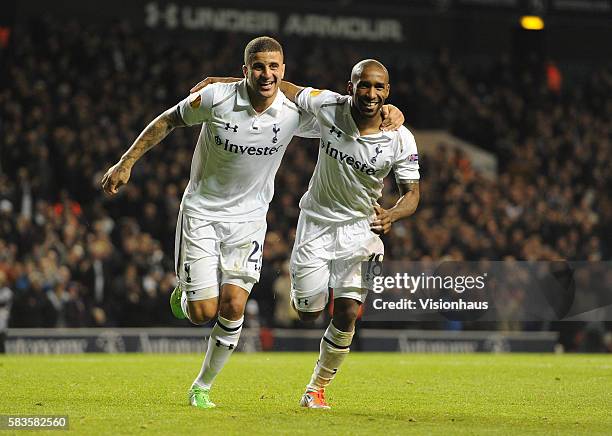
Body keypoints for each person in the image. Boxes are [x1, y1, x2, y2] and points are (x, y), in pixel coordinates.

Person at [101, 37, 404, 409]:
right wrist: (126, 162)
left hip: (250, 221)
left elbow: (348, 111)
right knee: (201, 313)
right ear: (245, 70)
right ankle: (186, 289)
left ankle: (202, 386)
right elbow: (168, 120)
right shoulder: (216, 98)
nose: (267, 74)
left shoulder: (293, 113)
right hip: (202, 213)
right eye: (258, 66)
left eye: (274, 67)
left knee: (233, 306)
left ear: (283, 71)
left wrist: (391, 111)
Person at [279, 59, 420, 409]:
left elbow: (412, 193)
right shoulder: (329, 106)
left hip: (362, 231)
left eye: (378, 87)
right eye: (364, 85)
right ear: (350, 87)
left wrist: (393, 215)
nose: (371, 93)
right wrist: (224, 82)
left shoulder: (400, 138)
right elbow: (285, 88)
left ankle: (316, 388)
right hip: (316, 223)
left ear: (387, 92)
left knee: (347, 312)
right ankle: (308, 296)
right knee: (309, 311)